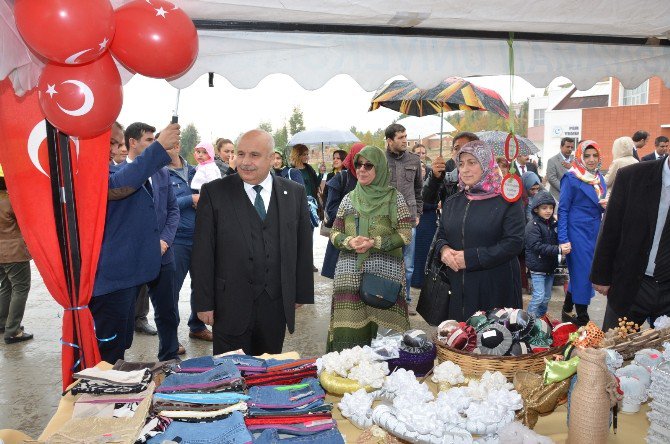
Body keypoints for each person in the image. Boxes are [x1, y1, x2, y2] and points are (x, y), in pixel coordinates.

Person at [191, 129, 314, 355]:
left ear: (271, 158)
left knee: (268, 371)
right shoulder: (215, 192)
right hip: (229, 304)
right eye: (241, 154)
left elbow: (302, 247)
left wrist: (300, 293)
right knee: (230, 375)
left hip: (274, 304)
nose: (245, 162)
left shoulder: (294, 193)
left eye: (254, 155)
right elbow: (202, 252)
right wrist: (203, 302)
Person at [91, 121, 180, 364]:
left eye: (117, 143)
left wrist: (164, 240)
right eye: (112, 142)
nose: (115, 149)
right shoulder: (95, 172)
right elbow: (120, 185)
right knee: (108, 352)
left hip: (138, 266)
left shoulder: (152, 172)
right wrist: (160, 147)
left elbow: (171, 209)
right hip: (111, 276)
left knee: (122, 340)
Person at [327, 146, 411, 351]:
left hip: (384, 279)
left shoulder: (394, 198)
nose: (362, 170)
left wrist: (375, 243)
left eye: (368, 165)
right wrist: (349, 242)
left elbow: (405, 235)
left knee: (385, 342)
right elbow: (334, 233)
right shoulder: (349, 198)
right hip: (349, 277)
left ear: (380, 168)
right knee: (349, 341)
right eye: (358, 165)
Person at [433, 140, 525, 321]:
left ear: (486, 164)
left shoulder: (507, 201)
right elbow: (441, 234)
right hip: (458, 288)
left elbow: (514, 243)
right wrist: (443, 250)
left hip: (495, 288)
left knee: (492, 341)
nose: (465, 169)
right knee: (461, 339)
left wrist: (470, 258)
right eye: (461, 164)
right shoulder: (453, 201)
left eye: (472, 162)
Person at [591, 156, 670, 331]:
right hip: (631, 283)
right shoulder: (632, 176)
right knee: (611, 351)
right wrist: (601, 275)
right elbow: (611, 228)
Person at [125, 122, 181, 361]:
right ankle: (117, 363)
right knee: (124, 313)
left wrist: (164, 241)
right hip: (131, 259)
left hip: (163, 255)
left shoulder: (162, 172)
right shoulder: (117, 174)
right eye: (149, 140)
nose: (154, 144)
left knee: (168, 311)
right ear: (133, 142)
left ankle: (169, 355)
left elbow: (172, 210)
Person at [166, 139, 213, 342]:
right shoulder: (160, 174)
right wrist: (190, 200)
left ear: (177, 147)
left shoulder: (198, 170)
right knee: (171, 290)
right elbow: (160, 205)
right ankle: (170, 338)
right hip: (177, 239)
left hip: (202, 238)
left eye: (166, 147)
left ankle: (197, 326)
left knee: (201, 285)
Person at [557, 140, 606, 326]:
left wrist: (604, 206)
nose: (592, 159)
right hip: (576, 232)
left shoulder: (599, 178)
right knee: (584, 272)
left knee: (581, 272)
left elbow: (598, 205)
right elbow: (563, 210)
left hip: (594, 232)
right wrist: (563, 239)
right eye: (587, 156)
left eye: (595, 155)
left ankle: (567, 308)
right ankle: (583, 318)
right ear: (580, 156)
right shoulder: (571, 178)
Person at [385, 123, 423, 310]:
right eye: (400, 138)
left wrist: (418, 213)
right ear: (389, 140)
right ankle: (388, 299)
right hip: (386, 219)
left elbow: (418, 189)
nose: (405, 140)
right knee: (387, 261)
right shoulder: (380, 160)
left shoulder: (414, 160)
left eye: (405, 136)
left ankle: (406, 301)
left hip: (409, 219)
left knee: (408, 265)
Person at [321, 143, 364, 279]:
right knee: (342, 281)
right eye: (358, 160)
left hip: (365, 239)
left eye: (366, 162)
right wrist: (354, 217)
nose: (362, 166)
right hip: (343, 237)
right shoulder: (341, 178)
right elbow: (331, 209)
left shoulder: (371, 179)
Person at [0, 168, 33, 344]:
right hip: (14, 252)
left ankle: (3, 322)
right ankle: (13, 331)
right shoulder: (11, 200)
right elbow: (26, 222)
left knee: (5, 286)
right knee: (20, 288)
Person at [525, 190, 565, 319]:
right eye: (544, 208)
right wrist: (558, 249)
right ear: (536, 209)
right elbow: (536, 246)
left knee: (546, 297)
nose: (548, 211)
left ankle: (540, 319)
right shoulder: (533, 225)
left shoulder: (553, 224)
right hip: (537, 268)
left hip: (549, 267)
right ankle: (528, 321)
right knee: (538, 296)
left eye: (551, 208)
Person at [423, 132, 479, 206]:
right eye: (456, 148)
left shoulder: (490, 182)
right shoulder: (448, 179)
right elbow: (427, 201)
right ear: (452, 152)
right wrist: (434, 178)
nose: (460, 152)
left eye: (466, 148)